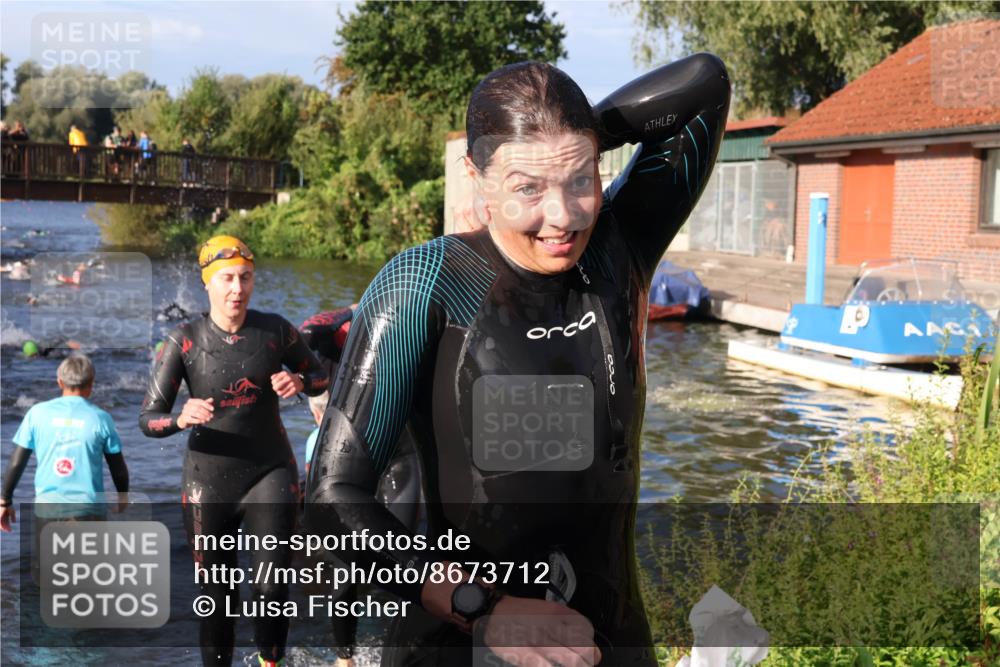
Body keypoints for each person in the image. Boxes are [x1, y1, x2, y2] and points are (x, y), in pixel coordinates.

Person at [305, 55, 730, 666]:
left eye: (581, 179)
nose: (562, 217)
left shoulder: (619, 248)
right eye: (526, 187)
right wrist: (481, 607)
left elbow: (704, 83)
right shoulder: (424, 285)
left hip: (612, 640)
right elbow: (330, 497)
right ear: (476, 176)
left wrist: (578, 134)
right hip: (462, 639)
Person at [138, 235, 328, 667]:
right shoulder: (182, 341)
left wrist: (299, 384)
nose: (237, 289)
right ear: (207, 283)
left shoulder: (276, 330)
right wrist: (180, 418)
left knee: (271, 587)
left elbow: (319, 377)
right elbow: (148, 418)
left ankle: (270, 663)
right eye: (227, 278)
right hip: (209, 482)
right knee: (217, 595)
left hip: (270, 472)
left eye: (245, 278)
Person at [300, 307, 423, 666]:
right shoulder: (339, 342)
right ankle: (345, 657)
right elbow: (308, 332)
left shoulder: (414, 335)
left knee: (407, 563)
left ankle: (404, 652)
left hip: (402, 459)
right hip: (351, 463)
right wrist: (356, 309)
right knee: (351, 567)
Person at [1, 354, 129, 532]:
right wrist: (123, 496)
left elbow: (17, 462)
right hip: (89, 510)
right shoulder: (101, 418)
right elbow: (118, 468)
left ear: (59, 382)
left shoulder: (36, 414)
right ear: (91, 384)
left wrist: (5, 500)